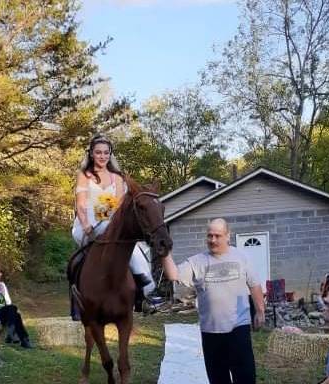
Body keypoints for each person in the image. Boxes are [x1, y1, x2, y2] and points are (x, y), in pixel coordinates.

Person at [160, 218, 265, 384]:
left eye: (217, 236)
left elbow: (255, 285)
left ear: (228, 236)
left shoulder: (241, 257)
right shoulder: (197, 261)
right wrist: (165, 253)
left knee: (245, 377)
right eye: (210, 236)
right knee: (218, 379)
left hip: (238, 327)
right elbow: (173, 275)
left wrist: (260, 311)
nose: (213, 240)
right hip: (211, 332)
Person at [70, 134, 155, 313]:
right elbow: (81, 205)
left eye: (106, 153)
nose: (102, 156)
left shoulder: (117, 178)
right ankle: (78, 294)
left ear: (110, 154)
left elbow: (118, 207)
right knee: (81, 256)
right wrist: (86, 224)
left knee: (133, 246)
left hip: (110, 224)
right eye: (98, 152)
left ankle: (143, 290)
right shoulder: (84, 176)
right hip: (87, 226)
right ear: (92, 154)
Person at [0, 266, 32, 349]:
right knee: (14, 311)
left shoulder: (2, 285)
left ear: (1, 274)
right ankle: (21, 339)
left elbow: (8, 301)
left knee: (16, 314)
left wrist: (12, 313)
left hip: (2, 312)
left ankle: (18, 337)